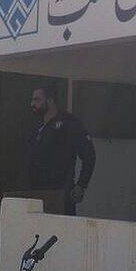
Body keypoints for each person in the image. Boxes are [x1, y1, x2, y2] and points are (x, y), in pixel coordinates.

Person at [25, 85, 96, 216]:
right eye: (32, 100)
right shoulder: (34, 125)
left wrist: (81, 185)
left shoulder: (70, 123)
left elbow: (89, 155)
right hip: (34, 196)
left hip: (60, 195)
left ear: (50, 100)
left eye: (37, 100)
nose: (32, 104)